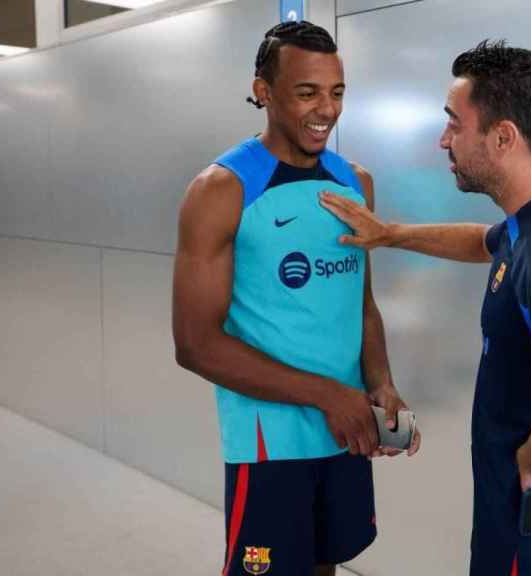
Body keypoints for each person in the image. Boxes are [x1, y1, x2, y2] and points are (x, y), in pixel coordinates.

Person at [320, 40, 531, 575]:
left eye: (455, 124)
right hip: (524, 513)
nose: (444, 140)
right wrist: (389, 234)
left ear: (503, 136)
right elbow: (483, 242)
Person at [172, 21, 419, 576]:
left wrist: (378, 382)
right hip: (270, 445)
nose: (326, 110)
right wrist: (328, 395)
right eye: (307, 92)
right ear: (264, 91)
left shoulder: (355, 182)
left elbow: (362, 303)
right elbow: (195, 344)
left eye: (336, 93)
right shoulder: (222, 189)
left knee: (325, 563)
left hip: (345, 431)